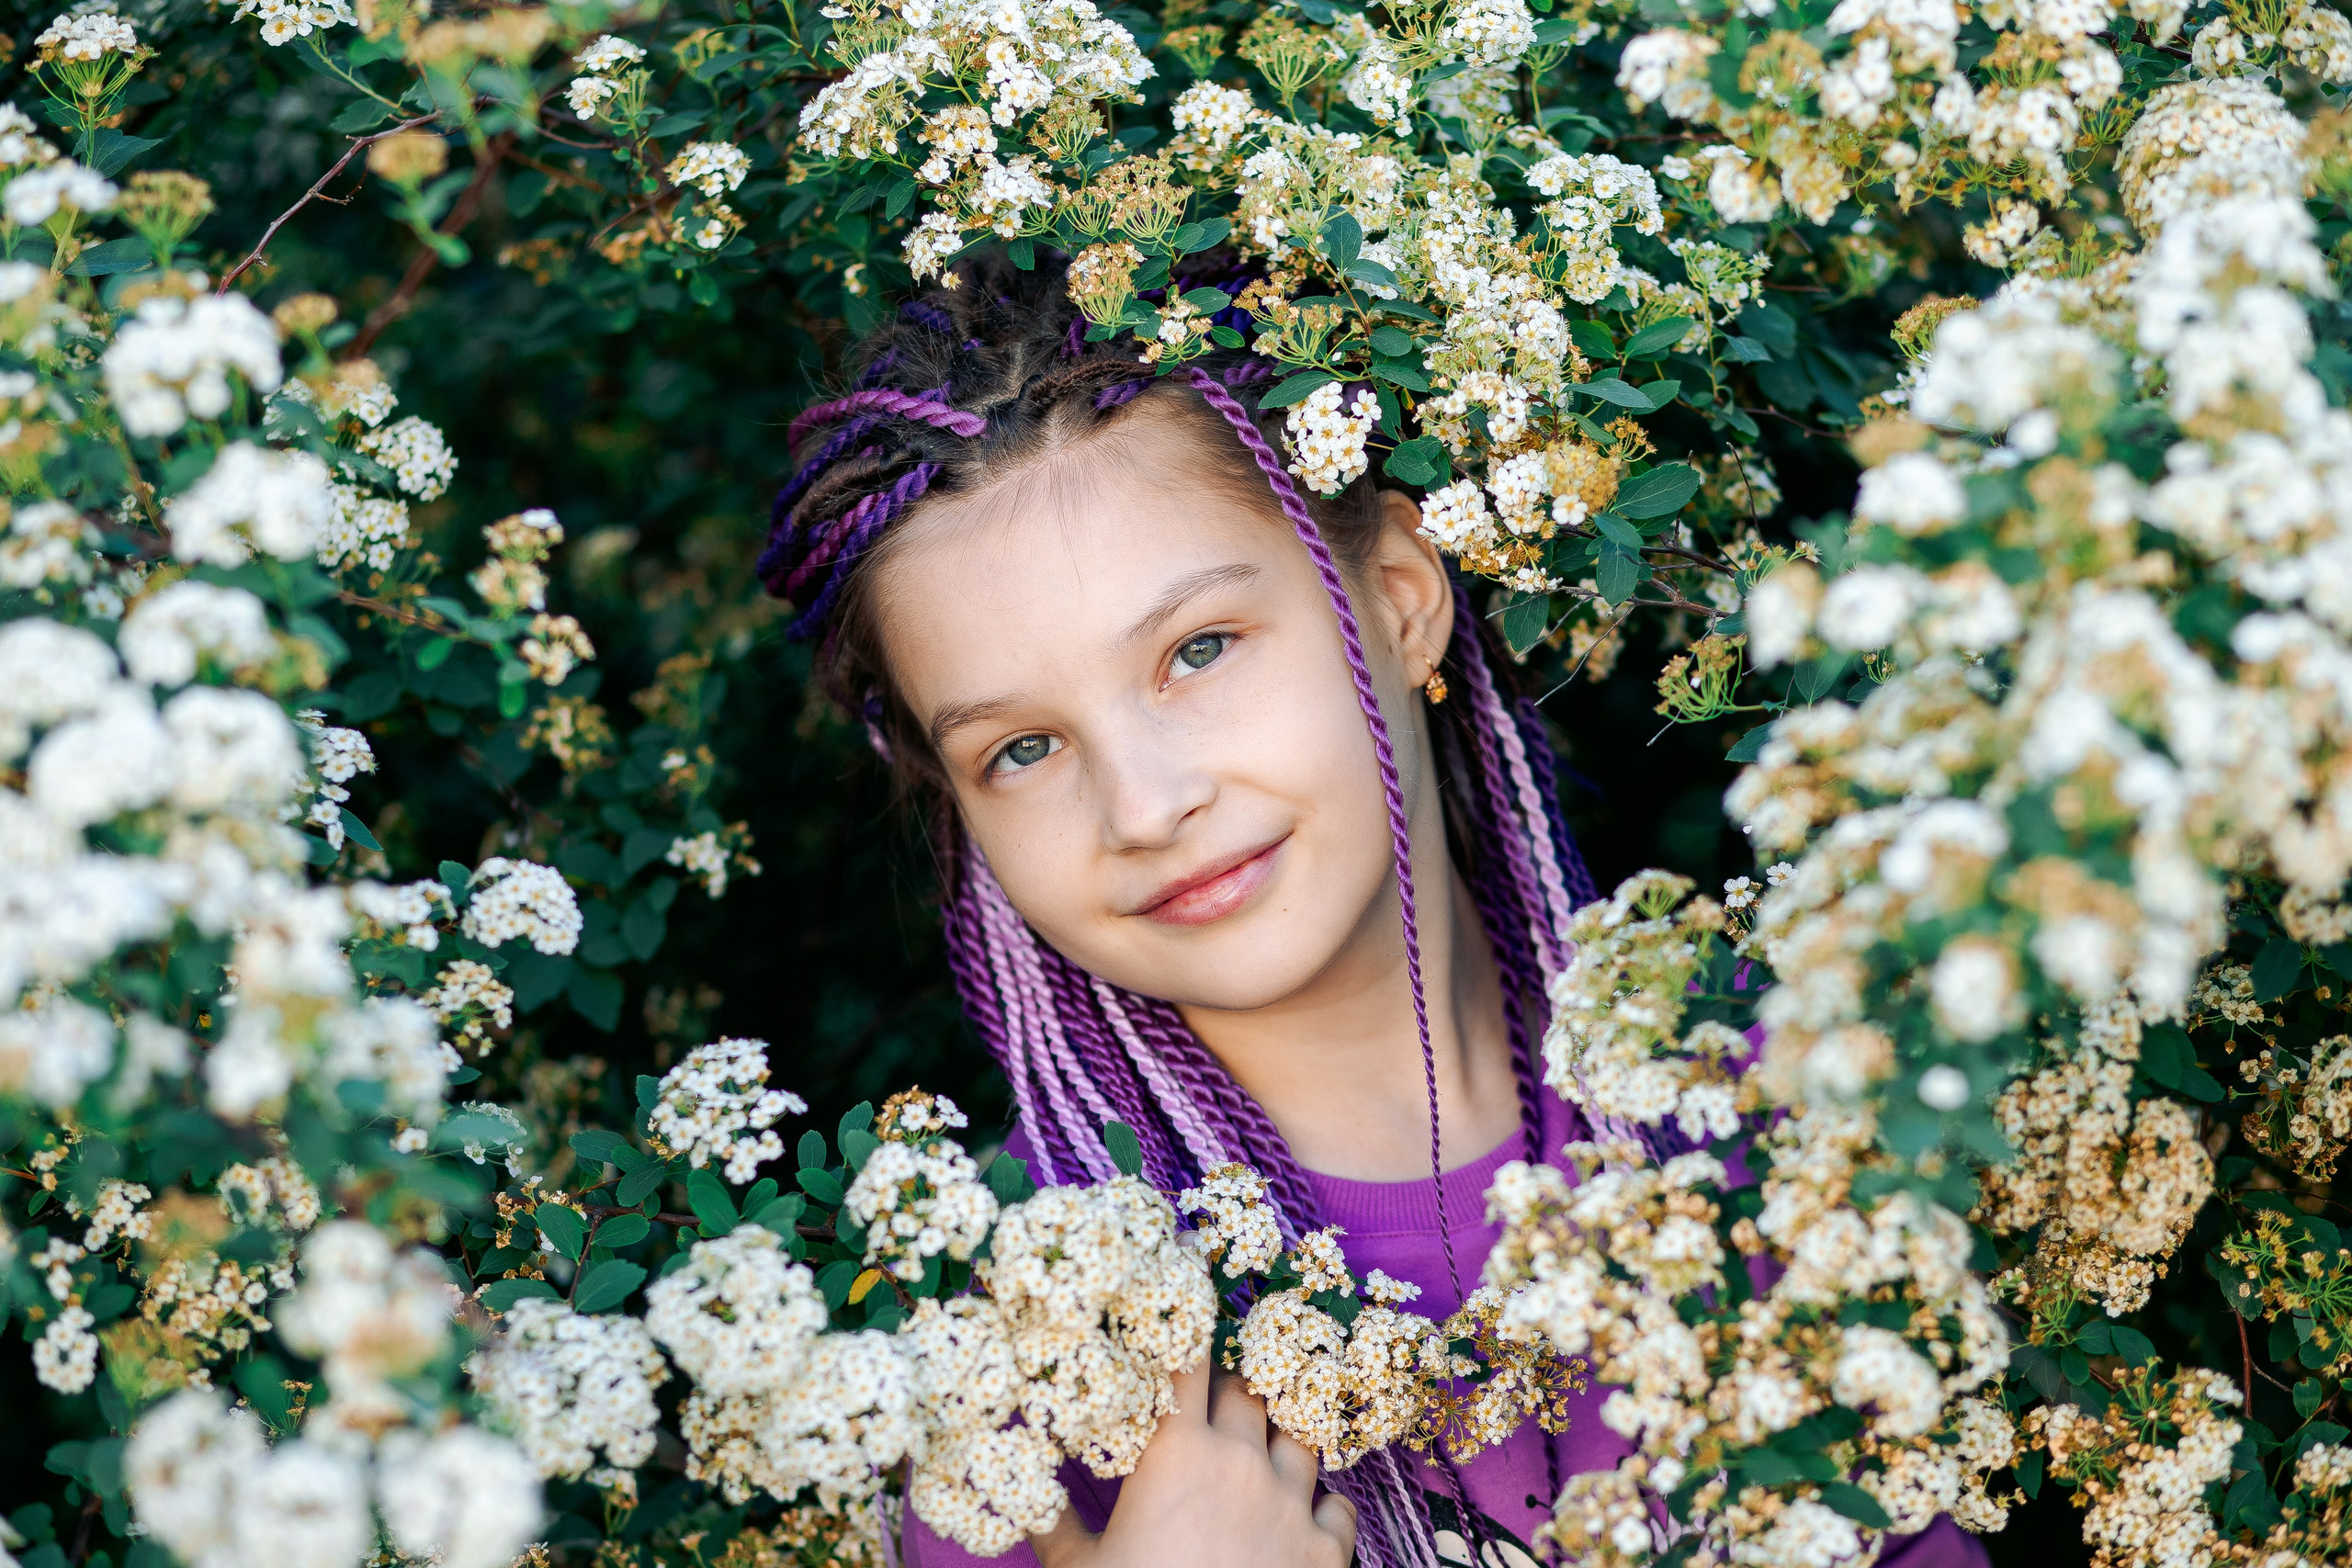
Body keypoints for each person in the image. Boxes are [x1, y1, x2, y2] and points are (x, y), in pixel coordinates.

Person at [761, 252, 1988, 1568]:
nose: (1142, 804)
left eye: (1199, 650)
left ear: (1399, 600)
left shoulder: (1790, 1104)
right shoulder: (1003, 1356)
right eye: (1022, 749)